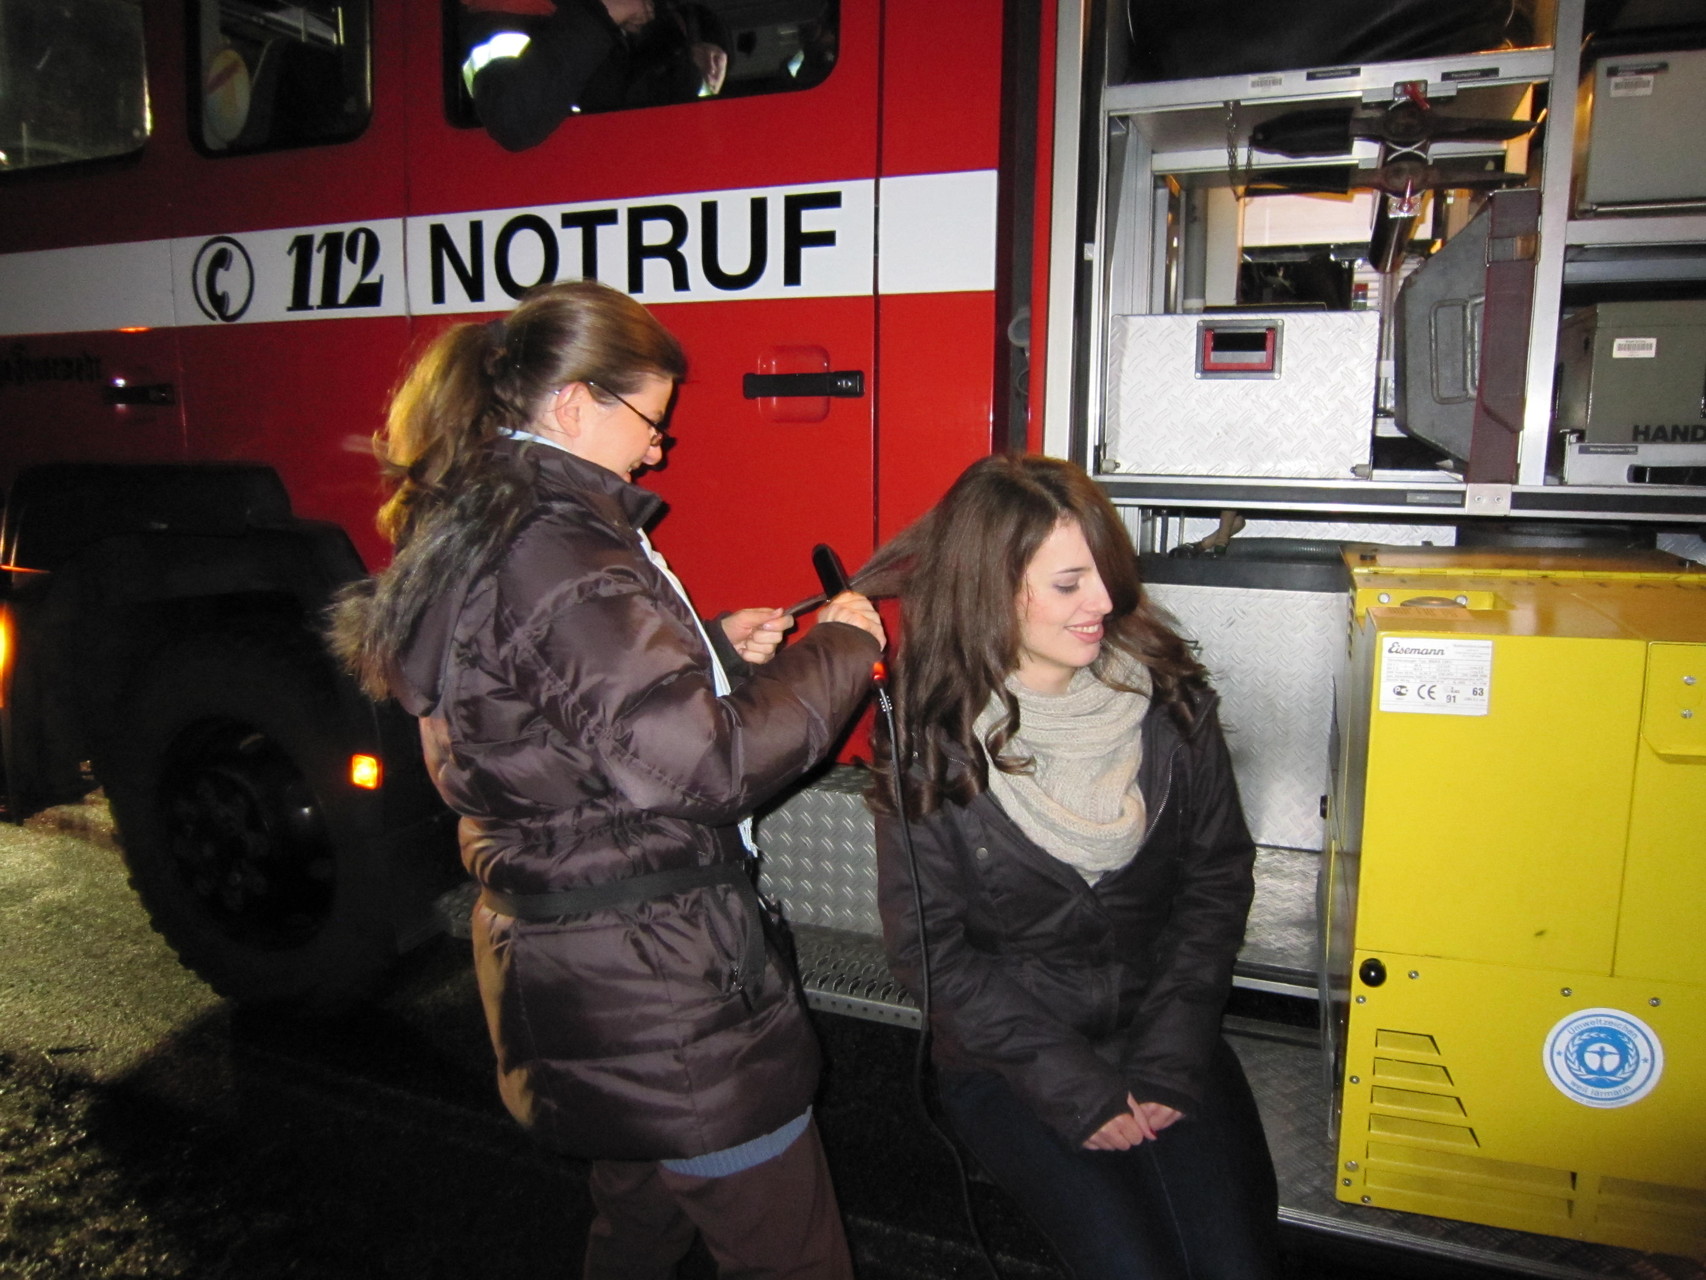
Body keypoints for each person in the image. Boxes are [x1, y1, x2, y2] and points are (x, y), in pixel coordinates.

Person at [330, 280, 882, 1279]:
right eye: (651, 420)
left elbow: (555, 718)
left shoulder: (499, 522)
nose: (660, 448)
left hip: (595, 963)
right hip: (658, 979)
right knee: (792, 1253)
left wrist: (713, 653)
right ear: (575, 403)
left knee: (635, 1217)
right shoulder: (555, 542)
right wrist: (837, 650)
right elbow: (704, 767)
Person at [867, 455, 1280, 1280]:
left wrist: (1168, 1054)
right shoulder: (927, 740)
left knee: (1238, 1266)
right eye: (1069, 584)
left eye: (1105, 574)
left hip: (1164, 1031)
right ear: (994, 587)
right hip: (1016, 1061)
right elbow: (933, 953)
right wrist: (1075, 1090)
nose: (1104, 602)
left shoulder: (1170, 702)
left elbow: (1215, 880)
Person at [460, 0, 727, 152]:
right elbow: (512, 118)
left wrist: (692, 70)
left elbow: (628, 115)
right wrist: (603, 13)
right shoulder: (502, 12)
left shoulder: (587, 29)